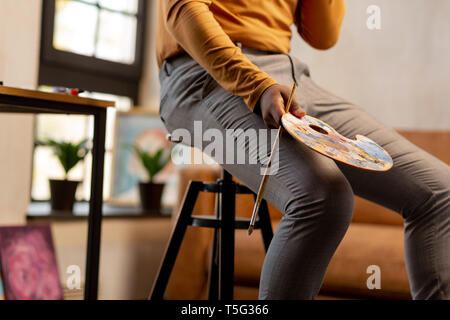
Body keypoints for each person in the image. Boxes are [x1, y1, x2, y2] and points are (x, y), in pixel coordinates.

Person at [156, 0, 449, 299]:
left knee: (440, 193)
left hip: (290, 75)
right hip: (203, 71)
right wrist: (255, 85)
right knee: (322, 197)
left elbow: (323, 36)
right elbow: (182, 12)